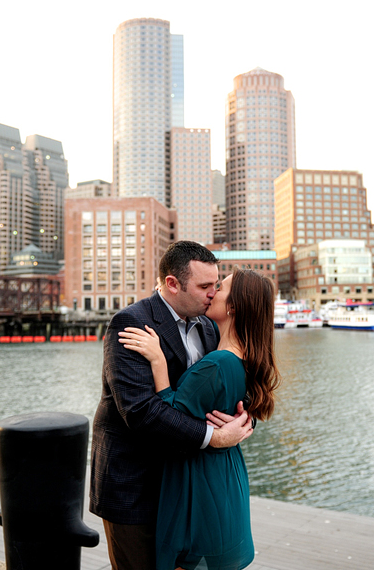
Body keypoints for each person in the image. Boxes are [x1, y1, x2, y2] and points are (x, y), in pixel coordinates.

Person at [89, 241, 254, 570]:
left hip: (184, 486)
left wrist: (243, 421)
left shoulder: (208, 326)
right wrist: (214, 437)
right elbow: (141, 412)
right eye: (204, 286)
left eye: (216, 285)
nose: (212, 293)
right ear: (172, 284)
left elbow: (224, 387)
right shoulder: (132, 323)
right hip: (136, 485)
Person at [119, 268, 281, 570]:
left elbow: (171, 414)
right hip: (225, 470)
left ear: (232, 306)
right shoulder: (242, 356)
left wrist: (157, 361)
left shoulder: (218, 361)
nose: (212, 293)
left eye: (220, 288)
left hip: (200, 476)